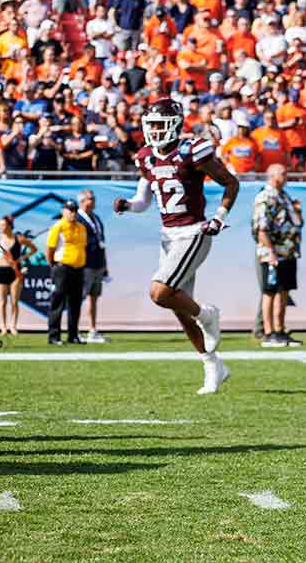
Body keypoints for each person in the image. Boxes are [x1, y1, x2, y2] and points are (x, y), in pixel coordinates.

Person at [114, 99, 237, 394]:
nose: (154, 132)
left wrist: (219, 218)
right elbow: (144, 200)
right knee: (178, 307)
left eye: (159, 125)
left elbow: (231, 183)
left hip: (194, 232)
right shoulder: (145, 156)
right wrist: (129, 206)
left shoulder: (191, 150)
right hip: (168, 236)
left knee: (160, 292)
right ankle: (213, 366)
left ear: (175, 125)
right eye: (151, 126)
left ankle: (208, 315)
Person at [252, 163, 304, 347]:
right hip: (272, 253)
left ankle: (280, 330)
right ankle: (268, 332)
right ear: (273, 176)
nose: (286, 175)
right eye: (283, 173)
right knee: (270, 292)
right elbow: (261, 229)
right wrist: (271, 252)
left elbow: (296, 222)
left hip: (288, 251)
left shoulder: (285, 196)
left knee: (283, 292)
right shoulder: (265, 197)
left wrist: (297, 211)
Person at [45, 201, 87, 345]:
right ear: (63, 211)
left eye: (75, 210)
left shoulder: (81, 227)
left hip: (78, 270)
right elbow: (50, 249)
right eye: (70, 210)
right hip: (62, 269)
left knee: (75, 304)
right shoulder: (58, 227)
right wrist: (54, 266)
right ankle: (54, 336)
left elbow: (82, 248)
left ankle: (73, 336)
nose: (73, 213)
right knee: (57, 303)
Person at [0, 216, 29, 337]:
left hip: (15, 271)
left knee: (14, 301)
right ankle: (3, 327)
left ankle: (13, 326)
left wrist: (21, 259)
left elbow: (33, 248)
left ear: (10, 226)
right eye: (0, 225)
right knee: (2, 302)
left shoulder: (19, 239)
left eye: (4, 225)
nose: (1, 228)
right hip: (2, 271)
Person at [75, 189, 109, 344]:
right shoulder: (77, 219)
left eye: (94, 198)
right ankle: (74, 329)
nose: (93, 201)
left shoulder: (96, 218)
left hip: (97, 263)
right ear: (82, 201)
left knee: (93, 297)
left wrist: (105, 265)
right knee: (78, 297)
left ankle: (92, 329)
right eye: (90, 198)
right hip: (84, 263)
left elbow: (102, 242)